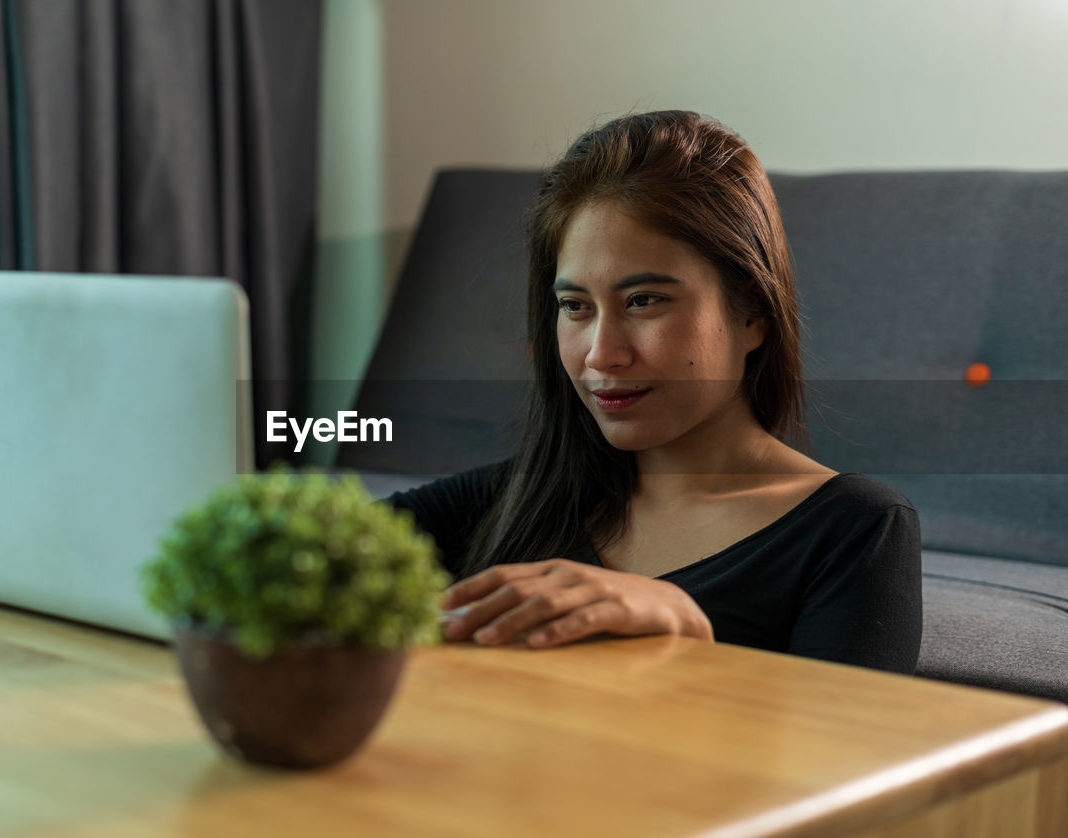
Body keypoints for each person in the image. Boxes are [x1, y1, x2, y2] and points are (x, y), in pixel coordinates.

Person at [388, 110, 922, 674]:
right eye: (575, 307)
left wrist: (689, 635)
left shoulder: (852, 531)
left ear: (754, 314)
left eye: (643, 300)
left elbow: (842, 755)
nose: (600, 354)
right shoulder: (514, 497)